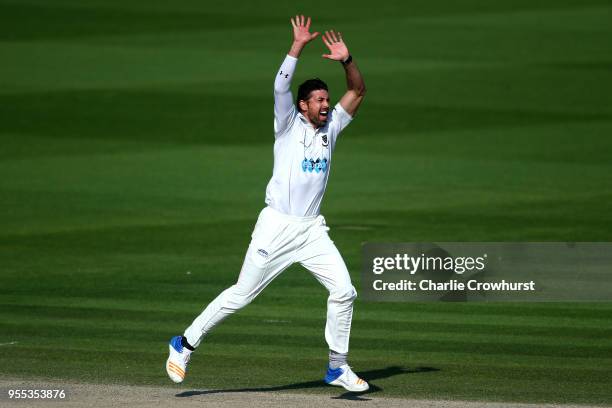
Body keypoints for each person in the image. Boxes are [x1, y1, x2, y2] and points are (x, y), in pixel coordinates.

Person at [166, 15, 368, 392]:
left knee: (345, 291)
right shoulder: (287, 123)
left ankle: (337, 366)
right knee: (241, 294)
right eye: (319, 100)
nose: (327, 104)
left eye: (327, 99)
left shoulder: (332, 128)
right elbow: (280, 87)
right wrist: (296, 47)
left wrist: (347, 60)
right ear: (303, 105)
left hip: (310, 230)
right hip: (276, 226)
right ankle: (185, 343)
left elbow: (357, 91)